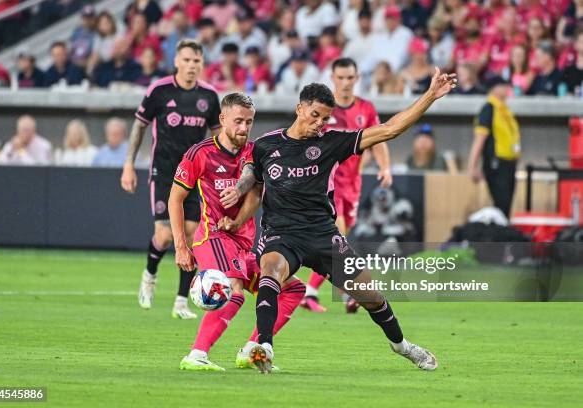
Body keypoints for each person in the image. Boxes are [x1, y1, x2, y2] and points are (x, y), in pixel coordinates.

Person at [220, 69, 457, 373]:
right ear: (300, 109)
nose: (320, 123)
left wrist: (429, 96)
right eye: (315, 115)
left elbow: (389, 130)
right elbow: (250, 177)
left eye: (325, 119)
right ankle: (263, 346)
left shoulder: (332, 143)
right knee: (271, 272)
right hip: (282, 233)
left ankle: (402, 346)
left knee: (371, 297)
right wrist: (237, 191)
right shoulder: (266, 145)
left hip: (322, 234)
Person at [171, 93, 305, 371]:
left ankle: (251, 350)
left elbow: (255, 193)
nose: (244, 128)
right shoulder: (200, 153)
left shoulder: (254, 152)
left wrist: (237, 220)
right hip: (214, 237)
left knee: (292, 288)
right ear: (222, 120)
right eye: (238, 122)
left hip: (244, 242)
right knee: (235, 291)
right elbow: (175, 199)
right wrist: (180, 246)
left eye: (249, 122)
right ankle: (196, 355)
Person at [120, 39, 221, 319]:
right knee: (165, 235)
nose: (191, 66)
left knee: (190, 236)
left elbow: (216, 138)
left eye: (196, 61)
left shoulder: (210, 97)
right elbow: (139, 126)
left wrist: (219, 171)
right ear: (177, 61)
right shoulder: (159, 90)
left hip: (194, 174)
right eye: (186, 60)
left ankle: (180, 302)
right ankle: (149, 276)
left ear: (202, 64)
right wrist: (128, 164)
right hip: (164, 172)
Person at [300, 58, 392, 314]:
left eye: (349, 78)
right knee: (336, 236)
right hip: (327, 183)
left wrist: (385, 167)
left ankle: (317, 291)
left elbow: (380, 138)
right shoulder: (323, 112)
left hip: (353, 182)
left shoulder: (366, 108)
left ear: (357, 78)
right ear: (332, 78)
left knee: (341, 237)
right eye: (340, 78)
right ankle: (350, 291)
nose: (345, 83)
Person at [467, 76, 520, 218]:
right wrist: (472, 166)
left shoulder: (504, 110)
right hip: (496, 163)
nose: (506, 88)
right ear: (494, 89)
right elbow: (480, 139)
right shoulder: (489, 109)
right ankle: (500, 236)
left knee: (506, 206)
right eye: (502, 85)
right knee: (501, 204)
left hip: (508, 163)